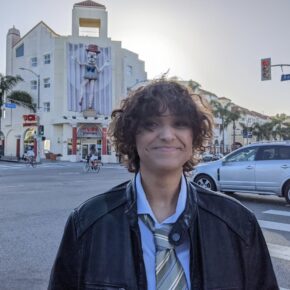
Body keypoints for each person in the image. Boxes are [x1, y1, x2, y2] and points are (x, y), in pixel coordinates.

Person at [48, 79, 278, 290]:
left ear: (194, 136)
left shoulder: (238, 222)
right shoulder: (87, 222)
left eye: (179, 124)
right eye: (150, 125)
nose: (167, 135)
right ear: (131, 135)